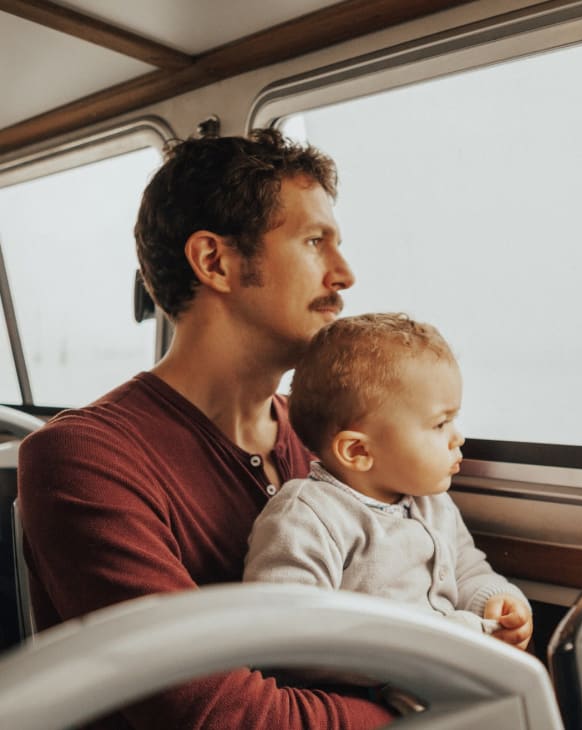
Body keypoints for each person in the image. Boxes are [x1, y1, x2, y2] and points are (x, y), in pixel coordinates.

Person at [16, 130, 395, 728]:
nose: (345, 274)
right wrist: (406, 706)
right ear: (215, 261)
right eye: (315, 241)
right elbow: (220, 718)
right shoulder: (81, 460)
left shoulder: (337, 438)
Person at [244, 313, 533, 651]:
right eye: (440, 424)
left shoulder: (431, 503)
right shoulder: (307, 517)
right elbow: (287, 631)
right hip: (363, 689)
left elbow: (467, 569)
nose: (458, 437)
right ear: (358, 450)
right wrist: (448, 633)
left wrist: (493, 600)